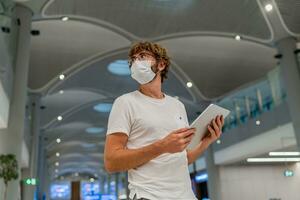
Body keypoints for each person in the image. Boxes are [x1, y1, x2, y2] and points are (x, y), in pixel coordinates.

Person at [104, 41, 224, 200]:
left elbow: (181, 158)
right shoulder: (125, 103)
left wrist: (206, 141)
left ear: (161, 64)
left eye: (142, 57)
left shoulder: (178, 106)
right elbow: (111, 162)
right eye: (133, 59)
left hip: (185, 195)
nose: (135, 62)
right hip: (148, 195)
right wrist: (161, 146)